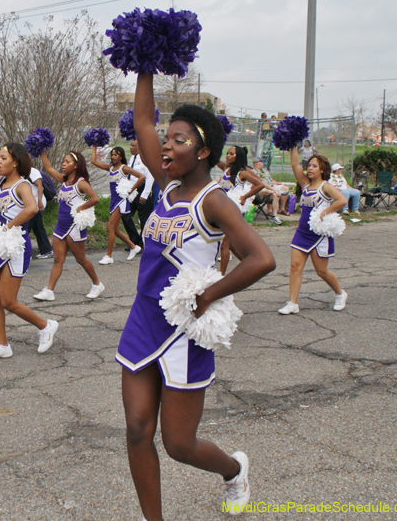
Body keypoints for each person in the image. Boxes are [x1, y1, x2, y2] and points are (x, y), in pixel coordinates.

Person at [121, 72, 275, 520]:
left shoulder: (213, 200)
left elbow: (260, 257)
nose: (166, 146)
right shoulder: (166, 186)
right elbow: (143, 123)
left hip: (185, 328)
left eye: (179, 140)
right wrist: (145, 65)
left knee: (179, 444)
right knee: (135, 429)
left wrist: (208, 295)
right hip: (143, 320)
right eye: (167, 140)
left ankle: (234, 469)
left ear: (203, 150)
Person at [0, 142, 59, 360]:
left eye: (3, 158)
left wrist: (8, 227)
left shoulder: (22, 186)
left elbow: (31, 208)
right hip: (0, 245)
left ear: (16, 162)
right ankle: (2, 345)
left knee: (8, 300)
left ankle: (46, 325)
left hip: (16, 247)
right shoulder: (0, 181)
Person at [278, 148, 348, 315]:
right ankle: (293, 303)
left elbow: (342, 200)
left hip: (319, 235)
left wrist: (325, 212)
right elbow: (295, 164)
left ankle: (340, 293)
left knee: (321, 272)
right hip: (302, 232)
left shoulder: (326, 187)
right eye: (308, 165)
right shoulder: (305, 184)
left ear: (322, 169)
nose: (309, 168)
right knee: (295, 267)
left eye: (314, 166)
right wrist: (293, 146)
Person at [32, 150, 104, 301]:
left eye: (68, 162)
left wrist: (80, 208)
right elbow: (49, 168)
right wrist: (42, 149)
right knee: (58, 260)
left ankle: (97, 284)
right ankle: (49, 291)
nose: (64, 164)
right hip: (61, 226)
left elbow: (95, 198)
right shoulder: (64, 180)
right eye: (63, 161)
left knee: (81, 259)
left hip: (74, 227)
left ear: (76, 165)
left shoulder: (81, 183)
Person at [90, 145, 145, 264]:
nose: (113, 157)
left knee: (110, 227)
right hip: (113, 200)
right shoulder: (110, 169)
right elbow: (93, 161)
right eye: (112, 155)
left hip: (120, 201)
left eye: (115, 155)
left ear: (121, 157)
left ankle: (109, 256)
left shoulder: (124, 168)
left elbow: (142, 177)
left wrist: (131, 189)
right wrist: (94, 145)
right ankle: (133, 246)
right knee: (116, 230)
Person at [218, 146, 265, 275]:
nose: (227, 156)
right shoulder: (225, 169)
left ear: (238, 156)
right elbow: (213, 159)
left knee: (225, 244)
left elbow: (260, 184)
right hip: (223, 207)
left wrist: (245, 196)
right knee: (231, 244)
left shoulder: (242, 173)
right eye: (227, 153)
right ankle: (250, 265)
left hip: (234, 209)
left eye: (231, 154)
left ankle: (220, 276)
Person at [127, 139, 156, 243]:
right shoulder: (132, 158)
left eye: (133, 145)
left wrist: (145, 195)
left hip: (142, 190)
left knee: (144, 219)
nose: (131, 147)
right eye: (131, 145)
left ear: (139, 147)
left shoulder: (146, 159)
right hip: (132, 191)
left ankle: (144, 243)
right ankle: (134, 240)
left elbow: (150, 177)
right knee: (126, 216)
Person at [27, 166, 54, 259]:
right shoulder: (19, 171)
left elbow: (40, 186)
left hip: (36, 204)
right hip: (31, 204)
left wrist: (39, 201)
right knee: (38, 227)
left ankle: (25, 253)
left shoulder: (32, 171)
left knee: (24, 229)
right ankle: (47, 250)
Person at [251, 156, 285, 224]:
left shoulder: (265, 171)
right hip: (256, 194)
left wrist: (276, 189)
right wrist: (274, 190)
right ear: (256, 163)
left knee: (275, 195)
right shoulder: (252, 172)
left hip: (268, 191)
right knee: (264, 190)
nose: (263, 163)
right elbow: (261, 183)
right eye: (261, 162)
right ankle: (270, 209)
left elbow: (270, 181)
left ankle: (274, 216)